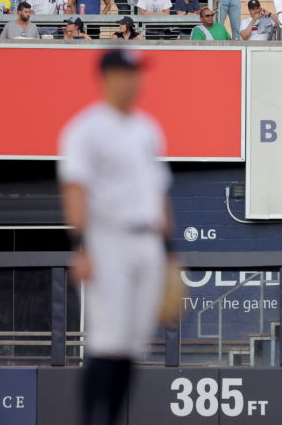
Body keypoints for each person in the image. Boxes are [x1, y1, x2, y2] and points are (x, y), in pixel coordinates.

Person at [59, 49, 173, 425]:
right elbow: (75, 190)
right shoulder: (85, 128)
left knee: (131, 346)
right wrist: (82, 248)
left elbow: (159, 195)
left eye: (137, 72)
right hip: (108, 240)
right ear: (107, 78)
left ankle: (112, 419)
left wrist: (171, 255)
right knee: (107, 341)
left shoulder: (148, 128)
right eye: (127, 73)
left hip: (147, 243)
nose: (135, 80)